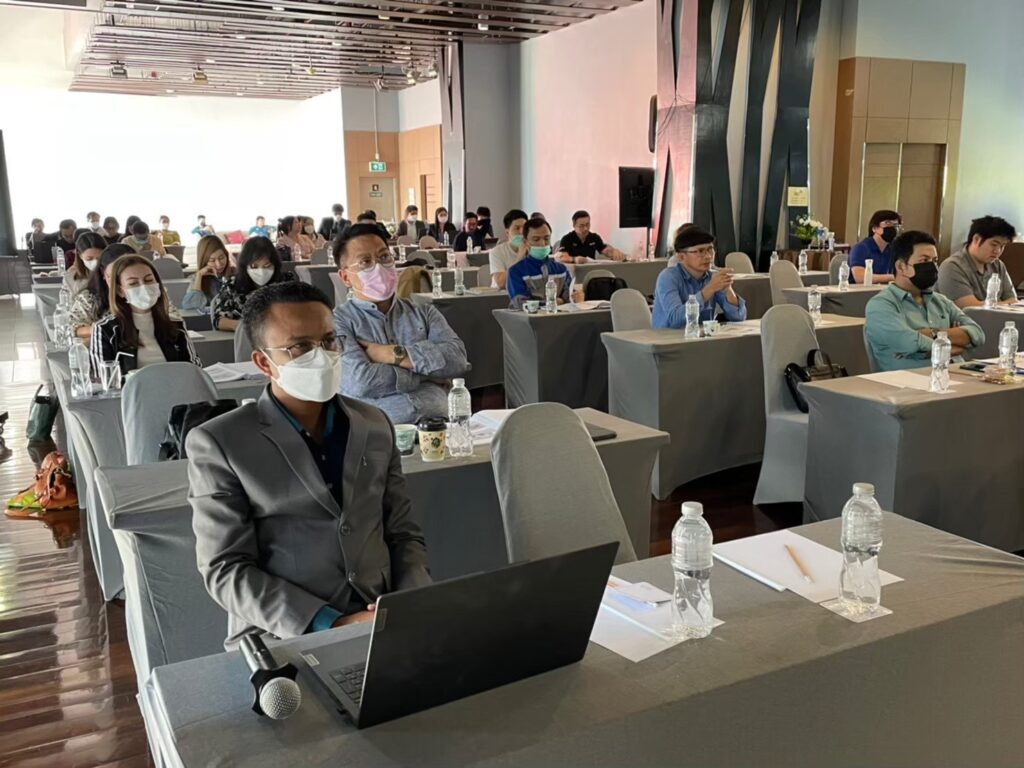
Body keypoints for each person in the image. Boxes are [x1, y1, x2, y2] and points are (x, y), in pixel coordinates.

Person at [187, 279, 430, 650]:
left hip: (381, 620)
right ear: (263, 362)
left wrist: (410, 604)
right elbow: (225, 568)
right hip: (283, 633)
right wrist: (333, 623)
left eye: (329, 341)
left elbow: (402, 533)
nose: (321, 356)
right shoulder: (221, 443)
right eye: (299, 347)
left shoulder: (374, 424)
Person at [332, 223, 468, 425]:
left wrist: (391, 354)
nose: (378, 267)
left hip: (440, 425)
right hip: (378, 432)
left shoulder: (423, 311)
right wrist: (425, 374)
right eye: (365, 262)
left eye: (384, 257)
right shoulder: (337, 322)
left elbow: (457, 360)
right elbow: (360, 381)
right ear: (345, 277)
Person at [865, 230, 985, 371]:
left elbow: (977, 334)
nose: (932, 267)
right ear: (901, 267)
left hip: (956, 373)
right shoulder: (881, 305)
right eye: (924, 261)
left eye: (934, 261)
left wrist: (931, 333)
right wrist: (953, 341)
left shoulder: (940, 301)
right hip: (910, 379)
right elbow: (909, 342)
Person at [90, 255, 199, 375]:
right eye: (133, 283)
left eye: (149, 280)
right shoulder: (105, 329)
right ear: (120, 291)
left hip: (175, 386)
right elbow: (103, 377)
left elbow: (194, 368)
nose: (143, 287)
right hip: (131, 387)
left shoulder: (175, 325)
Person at [652, 225, 746, 329]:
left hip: (702, 337)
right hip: (669, 338)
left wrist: (728, 290)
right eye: (700, 251)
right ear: (682, 257)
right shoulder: (668, 277)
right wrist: (710, 289)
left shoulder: (711, 277)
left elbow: (739, 317)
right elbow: (675, 319)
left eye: (710, 250)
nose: (708, 256)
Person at [210, 236, 293, 332]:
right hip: (244, 337)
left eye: (267, 266)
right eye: (254, 266)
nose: (261, 271)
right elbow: (218, 320)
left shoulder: (286, 282)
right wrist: (241, 326)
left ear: (275, 264)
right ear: (245, 266)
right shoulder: (233, 285)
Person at [937, 215, 1018, 308]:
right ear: (976, 239)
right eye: (994, 244)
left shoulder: (998, 265)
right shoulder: (952, 266)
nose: (998, 251)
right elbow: (970, 308)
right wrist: (1001, 303)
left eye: (1002, 246)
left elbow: (1014, 301)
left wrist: (992, 305)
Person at [506, 217, 574, 309]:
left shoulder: (561, 269)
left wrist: (576, 296)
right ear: (525, 242)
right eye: (536, 239)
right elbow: (521, 303)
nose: (542, 243)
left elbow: (569, 297)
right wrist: (552, 302)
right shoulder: (516, 271)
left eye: (546, 238)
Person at [182, 235, 235, 311]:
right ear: (204, 261)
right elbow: (190, 307)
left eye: (221, 258)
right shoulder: (197, 279)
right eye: (212, 260)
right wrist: (199, 276)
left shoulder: (236, 274)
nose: (218, 264)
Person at [848, 209, 901, 284]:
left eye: (895, 225)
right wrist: (893, 277)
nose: (892, 228)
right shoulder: (860, 248)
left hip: (881, 289)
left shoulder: (892, 248)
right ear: (874, 228)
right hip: (859, 290)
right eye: (887, 223)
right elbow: (860, 278)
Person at [558, 210, 626, 263]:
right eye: (581, 226)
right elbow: (562, 257)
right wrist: (574, 259)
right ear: (574, 225)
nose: (585, 228)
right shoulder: (567, 239)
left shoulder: (594, 237)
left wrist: (614, 252)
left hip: (590, 269)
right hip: (573, 270)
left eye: (587, 225)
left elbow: (604, 249)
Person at [488, 209, 527, 290]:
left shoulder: (532, 250)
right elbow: (501, 283)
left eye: (524, 228)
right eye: (517, 228)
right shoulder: (496, 252)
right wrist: (519, 258)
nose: (521, 232)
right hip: (502, 295)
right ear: (507, 232)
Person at [63, 231, 105, 298]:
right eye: (89, 259)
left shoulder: (111, 274)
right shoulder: (70, 277)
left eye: (99, 258)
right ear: (80, 255)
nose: (95, 262)